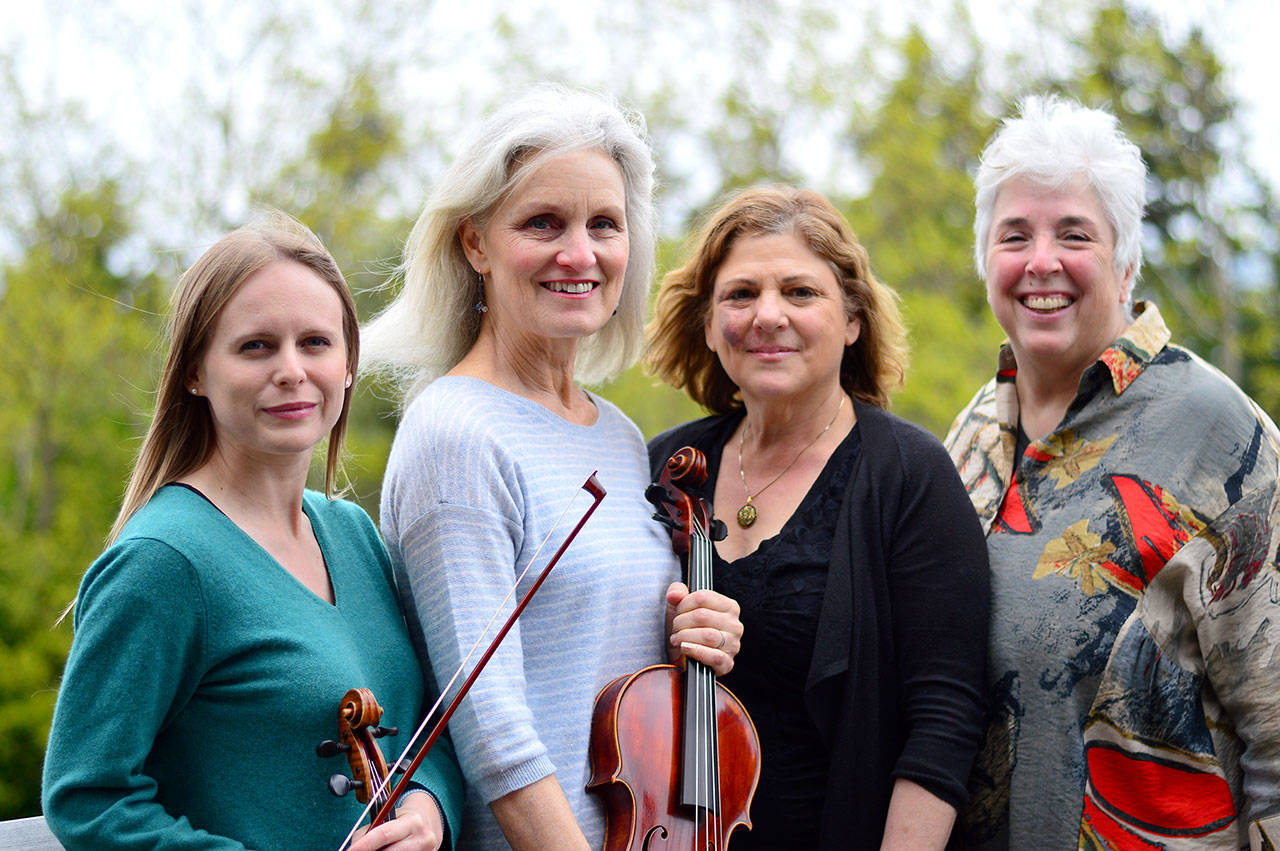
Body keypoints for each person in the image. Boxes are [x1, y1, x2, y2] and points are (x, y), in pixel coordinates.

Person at [362, 85, 743, 851]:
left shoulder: (619, 435)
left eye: (604, 223)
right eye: (543, 223)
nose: (580, 253)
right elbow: (494, 734)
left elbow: (587, 660)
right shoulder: (457, 434)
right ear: (475, 243)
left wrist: (689, 634)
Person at [41, 215, 463, 851]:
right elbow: (87, 798)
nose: (292, 370)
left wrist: (429, 808)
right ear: (194, 373)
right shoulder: (163, 562)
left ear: (349, 364)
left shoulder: (352, 533)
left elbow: (421, 731)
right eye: (256, 347)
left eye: (316, 343)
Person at [946, 95, 1280, 850]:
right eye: (1015, 236)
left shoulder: (1222, 435)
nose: (1041, 262)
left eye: (1074, 234)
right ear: (985, 260)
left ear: (1126, 260)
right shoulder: (967, 437)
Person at [647, 184, 990, 850]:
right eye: (740, 295)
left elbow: (945, 715)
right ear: (710, 324)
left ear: (853, 319)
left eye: (800, 292)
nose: (767, 315)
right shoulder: (669, 466)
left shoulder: (909, 474)